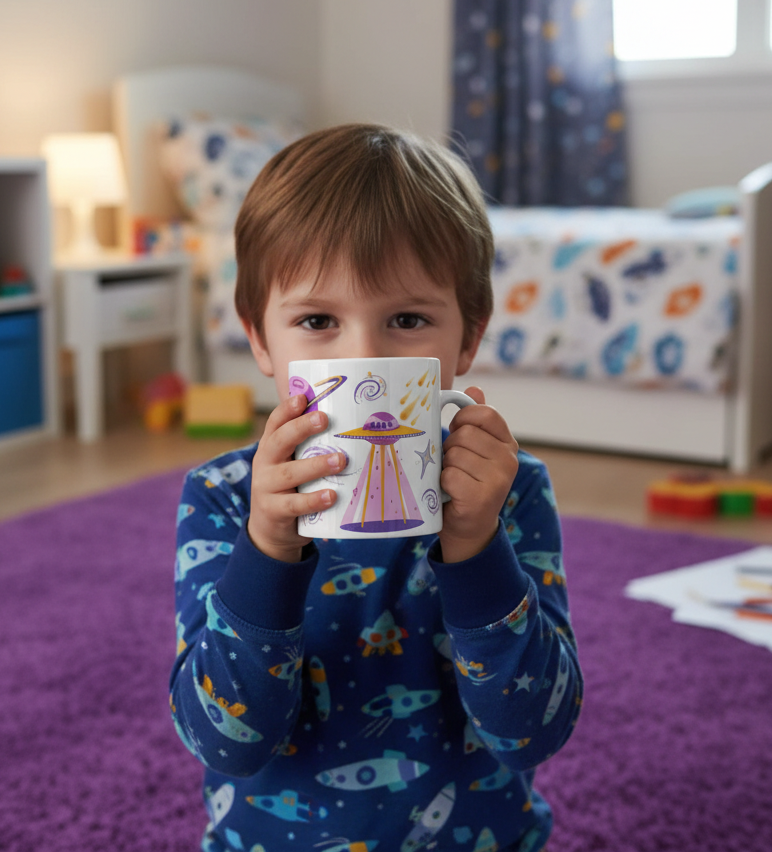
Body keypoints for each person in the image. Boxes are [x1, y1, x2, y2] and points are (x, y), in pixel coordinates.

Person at [171, 124, 583, 852]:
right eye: (318, 321)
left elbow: (533, 733)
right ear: (261, 340)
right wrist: (267, 547)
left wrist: (476, 547)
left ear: (466, 339)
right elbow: (223, 740)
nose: (363, 356)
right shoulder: (226, 497)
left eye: (406, 319)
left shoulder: (509, 493)